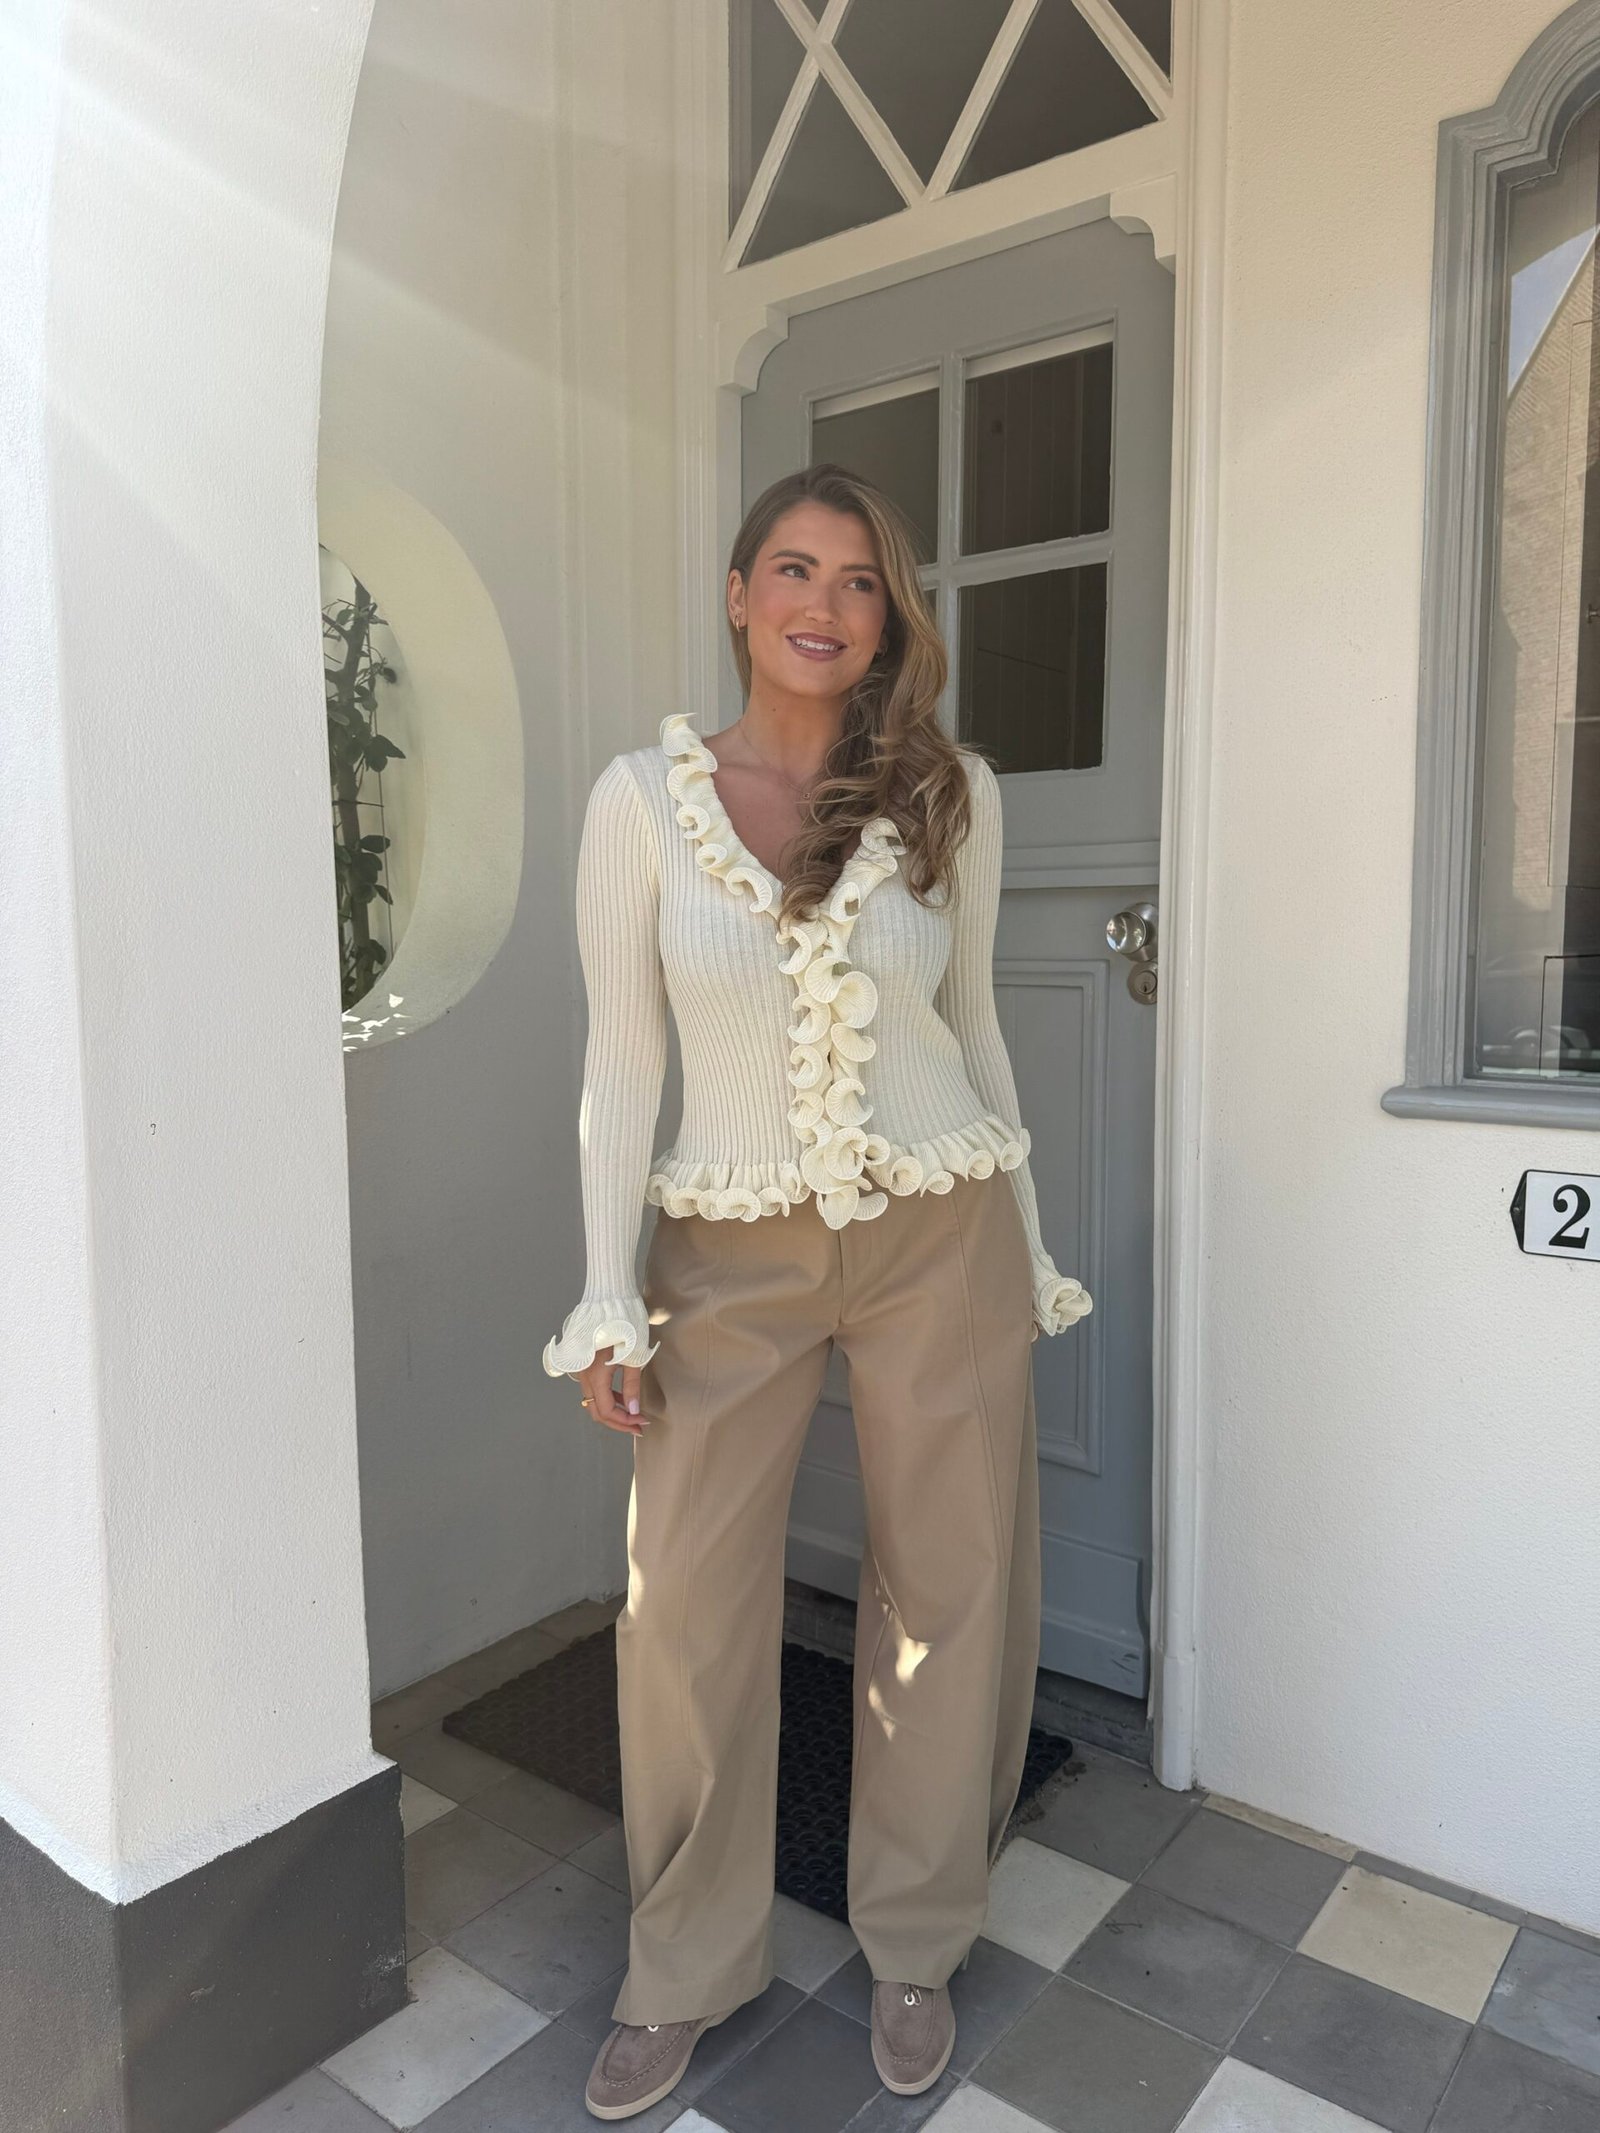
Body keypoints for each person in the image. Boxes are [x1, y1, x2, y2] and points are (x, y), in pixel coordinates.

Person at [542, 462, 1091, 2122]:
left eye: (860, 581)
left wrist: (1029, 1241)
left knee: (949, 1582)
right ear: (738, 594)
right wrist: (606, 1292)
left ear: (889, 615)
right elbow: (620, 1061)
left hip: (941, 1225)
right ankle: (682, 1962)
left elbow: (977, 1028)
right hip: (727, 1244)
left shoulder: (951, 795)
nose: (825, 605)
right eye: (794, 569)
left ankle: (917, 1934)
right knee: (685, 1603)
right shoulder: (642, 801)